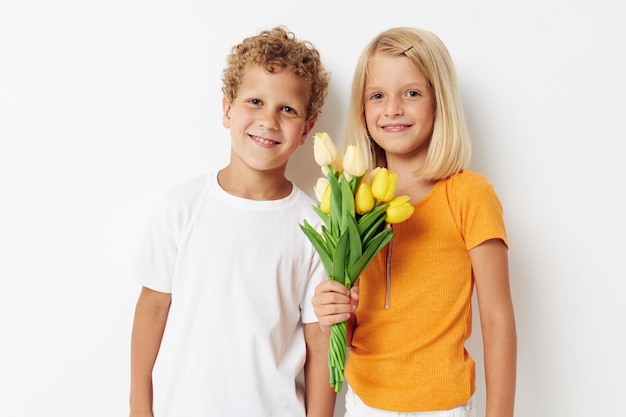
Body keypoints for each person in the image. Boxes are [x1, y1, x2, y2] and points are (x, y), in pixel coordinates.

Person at [129, 26, 336, 417]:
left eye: (287, 109)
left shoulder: (315, 226)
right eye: (255, 101)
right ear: (227, 110)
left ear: (307, 130)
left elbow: (319, 343)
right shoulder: (181, 207)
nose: (268, 120)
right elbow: (153, 308)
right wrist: (140, 406)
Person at [312, 27, 517, 417]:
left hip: (442, 407)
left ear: (439, 103)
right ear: (362, 109)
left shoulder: (469, 194)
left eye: (412, 93)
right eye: (377, 96)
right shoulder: (351, 202)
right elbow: (354, 329)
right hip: (363, 402)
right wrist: (333, 315)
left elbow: (497, 319)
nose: (393, 109)